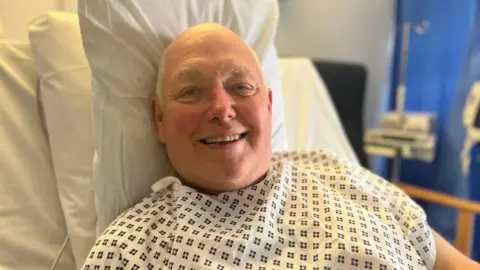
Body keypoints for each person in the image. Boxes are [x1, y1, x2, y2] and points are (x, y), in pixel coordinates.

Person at [83, 23, 479, 270]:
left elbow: (450, 263)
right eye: (190, 90)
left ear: (269, 106)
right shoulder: (132, 248)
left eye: (241, 87)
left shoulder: (332, 169)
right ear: (159, 120)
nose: (223, 108)